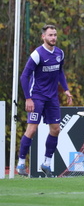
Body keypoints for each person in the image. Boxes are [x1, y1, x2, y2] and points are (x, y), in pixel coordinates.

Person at [16, 25, 73, 177]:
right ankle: (21, 163)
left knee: (55, 129)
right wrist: (28, 98)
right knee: (32, 129)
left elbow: (60, 72)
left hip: (52, 97)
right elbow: (24, 76)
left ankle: (46, 163)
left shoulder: (59, 53)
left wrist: (66, 89)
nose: (53, 37)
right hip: (37, 96)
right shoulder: (37, 54)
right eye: (50, 35)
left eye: (55, 35)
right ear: (43, 37)